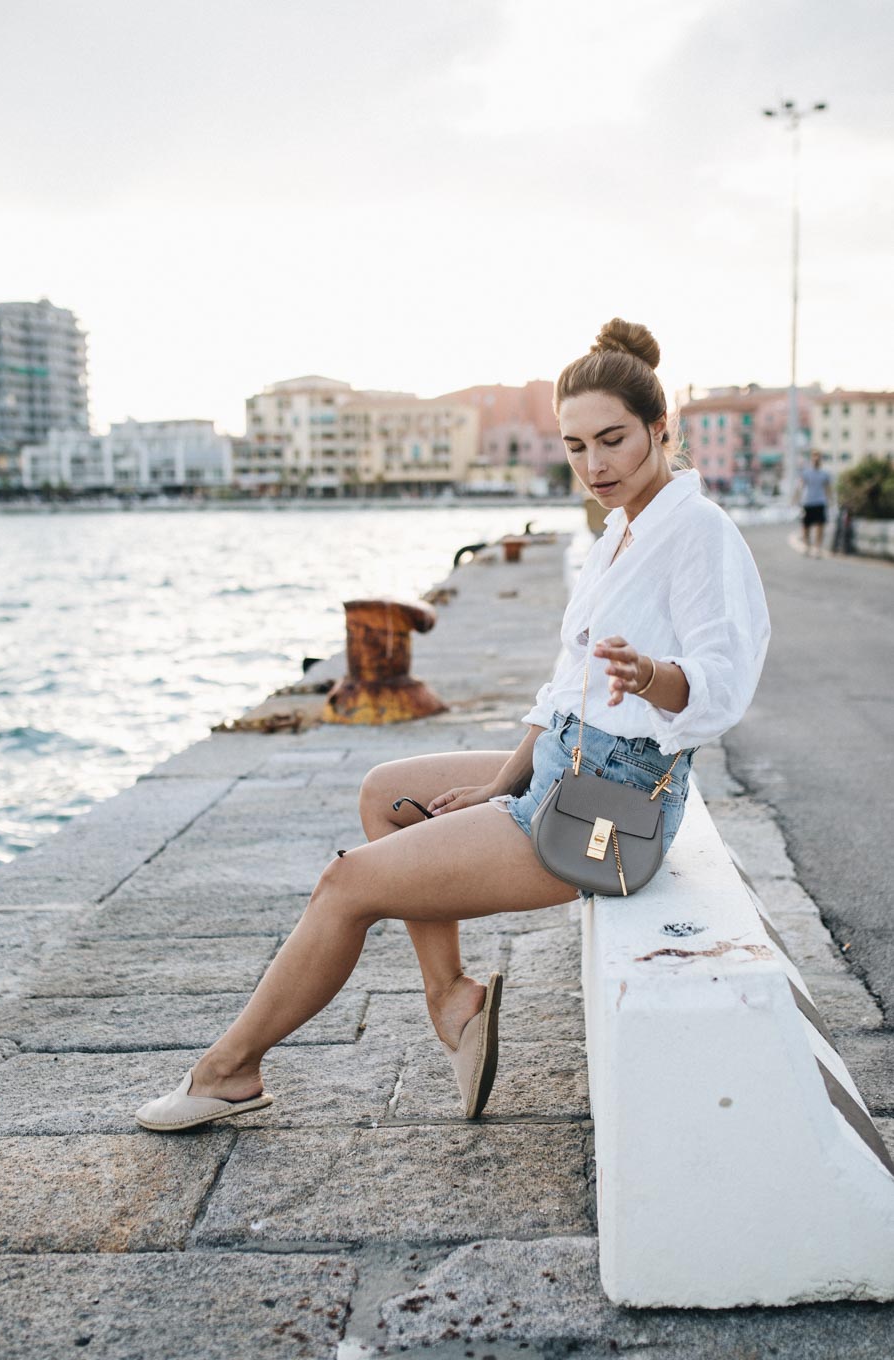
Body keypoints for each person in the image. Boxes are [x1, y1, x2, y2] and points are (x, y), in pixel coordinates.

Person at [135, 318, 771, 1133]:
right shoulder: (622, 532)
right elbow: (565, 697)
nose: (593, 465)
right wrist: (499, 785)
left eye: (611, 441)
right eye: (574, 447)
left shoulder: (697, 532)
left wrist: (651, 675)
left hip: (613, 815)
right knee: (386, 794)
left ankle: (228, 1071)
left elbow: (722, 684)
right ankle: (452, 1000)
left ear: (661, 429)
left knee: (347, 885)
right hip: (567, 768)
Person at [797, 450, 833, 557]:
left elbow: (828, 488)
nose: (816, 459)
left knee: (820, 526)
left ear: (820, 459)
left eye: (818, 457)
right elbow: (801, 486)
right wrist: (797, 500)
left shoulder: (825, 474)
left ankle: (817, 547)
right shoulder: (806, 472)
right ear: (811, 458)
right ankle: (806, 546)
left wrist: (831, 501)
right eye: (814, 457)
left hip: (820, 502)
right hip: (808, 502)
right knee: (806, 526)